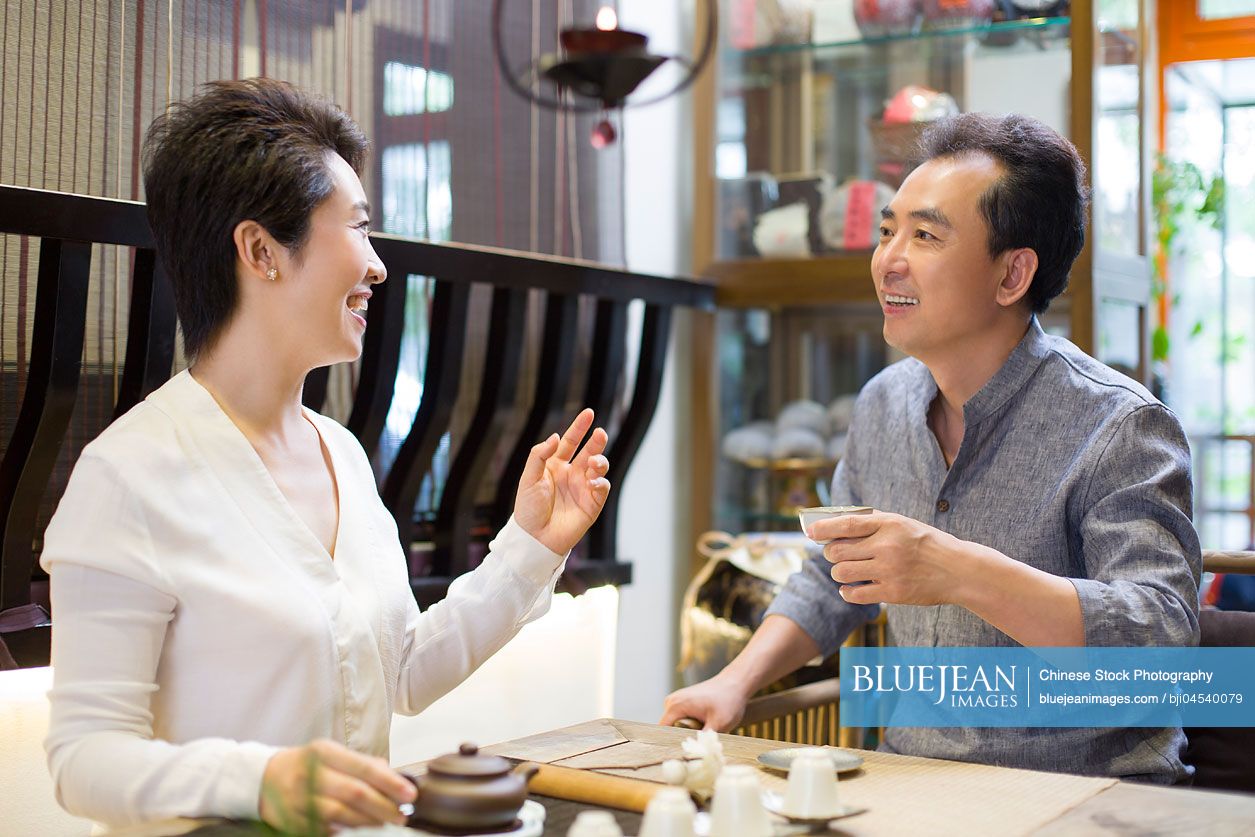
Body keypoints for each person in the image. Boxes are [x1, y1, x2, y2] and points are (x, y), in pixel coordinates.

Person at [41, 78, 613, 832]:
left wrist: (531, 546)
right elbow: (83, 759)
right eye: (357, 228)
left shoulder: (340, 451)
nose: (376, 266)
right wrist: (260, 778)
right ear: (260, 251)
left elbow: (398, 670)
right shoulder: (128, 475)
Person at [662, 113, 1201, 783]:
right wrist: (734, 681)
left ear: (1011, 276)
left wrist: (954, 568)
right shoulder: (881, 406)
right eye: (887, 230)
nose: (887, 258)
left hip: (1083, 795)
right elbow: (832, 578)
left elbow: (1160, 643)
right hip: (909, 785)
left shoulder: (1120, 426)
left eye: (924, 235)